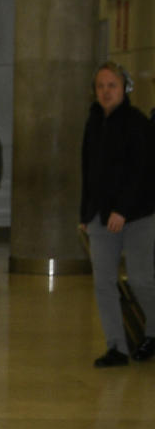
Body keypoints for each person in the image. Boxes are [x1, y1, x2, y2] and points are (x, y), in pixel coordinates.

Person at [80, 61, 155, 366]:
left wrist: (122, 210)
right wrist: (84, 213)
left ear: (124, 88)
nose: (106, 91)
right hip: (99, 215)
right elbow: (88, 169)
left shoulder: (137, 123)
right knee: (103, 281)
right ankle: (117, 347)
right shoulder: (93, 121)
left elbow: (142, 171)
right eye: (101, 86)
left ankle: (152, 331)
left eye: (112, 85)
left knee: (140, 280)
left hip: (138, 216)